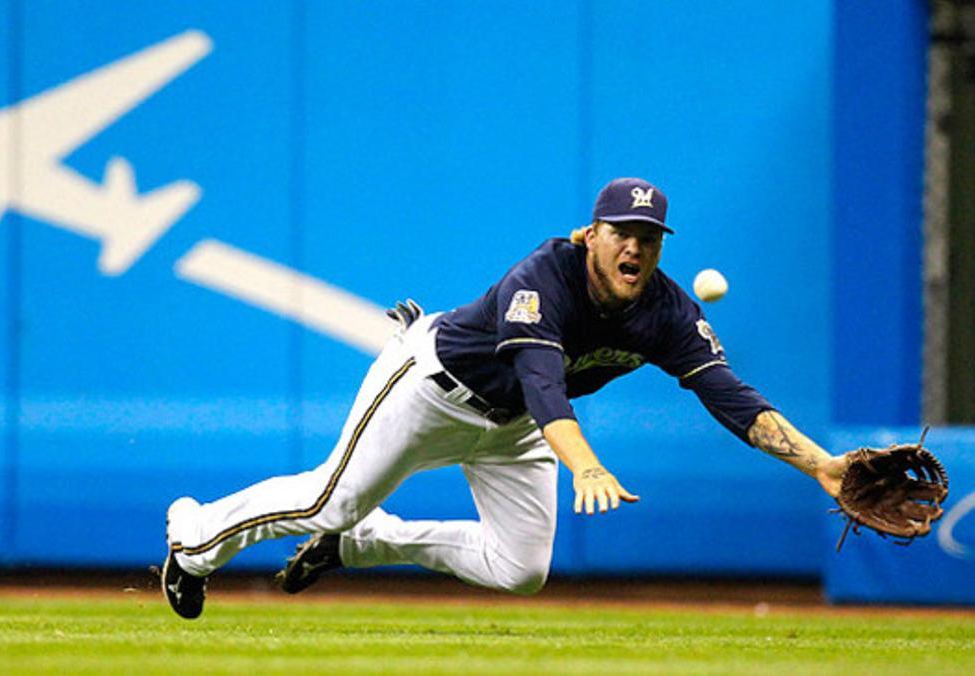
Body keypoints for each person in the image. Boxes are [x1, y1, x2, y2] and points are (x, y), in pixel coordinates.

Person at [160, 177, 847, 619]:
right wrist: (584, 465)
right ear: (591, 235)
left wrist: (822, 464)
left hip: (514, 428)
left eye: (648, 238)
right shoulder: (542, 278)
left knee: (520, 568)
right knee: (328, 499)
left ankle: (358, 547)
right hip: (434, 390)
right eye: (622, 234)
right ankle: (192, 538)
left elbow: (730, 395)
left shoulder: (667, 311)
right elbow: (544, 384)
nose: (634, 248)